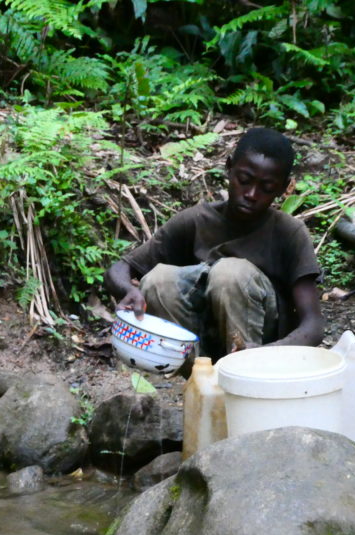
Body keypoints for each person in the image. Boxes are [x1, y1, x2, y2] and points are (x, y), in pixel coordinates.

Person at [104, 127, 324, 361]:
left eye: (266, 188)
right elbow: (119, 269)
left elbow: (313, 324)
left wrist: (268, 353)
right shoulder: (196, 221)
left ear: (283, 188)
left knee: (229, 273)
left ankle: (242, 371)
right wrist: (129, 291)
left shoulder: (289, 233)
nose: (251, 194)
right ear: (229, 168)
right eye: (244, 180)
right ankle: (203, 375)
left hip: (260, 351)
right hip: (200, 349)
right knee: (158, 280)